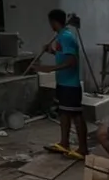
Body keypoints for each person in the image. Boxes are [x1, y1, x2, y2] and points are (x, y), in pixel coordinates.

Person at [31, 9, 89, 160]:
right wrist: (51, 51)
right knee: (64, 113)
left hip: (71, 85)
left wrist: (49, 68)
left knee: (76, 115)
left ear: (53, 22)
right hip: (63, 82)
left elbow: (71, 61)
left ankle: (83, 149)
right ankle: (64, 143)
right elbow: (63, 55)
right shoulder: (61, 36)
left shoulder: (66, 37)